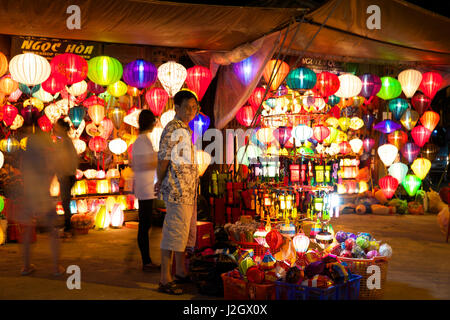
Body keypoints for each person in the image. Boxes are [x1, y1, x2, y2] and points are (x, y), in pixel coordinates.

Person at [156, 90, 199, 295]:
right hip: (177, 190)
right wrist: (159, 180)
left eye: (194, 107)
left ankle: (180, 271)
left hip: (188, 191)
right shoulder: (173, 128)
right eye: (187, 107)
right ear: (177, 108)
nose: (191, 110)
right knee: (173, 233)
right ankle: (165, 278)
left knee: (183, 234)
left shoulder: (185, 129)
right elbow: (164, 159)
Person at [19, 125, 63, 276]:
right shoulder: (45, 156)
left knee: (27, 230)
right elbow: (50, 171)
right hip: (43, 196)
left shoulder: (25, 158)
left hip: (29, 196)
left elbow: (23, 175)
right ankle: (56, 267)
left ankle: (25, 266)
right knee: (53, 230)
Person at [131, 109, 160, 271]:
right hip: (145, 189)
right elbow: (143, 163)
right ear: (150, 123)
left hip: (147, 188)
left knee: (146, 225)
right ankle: (146, 261)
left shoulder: (143, 140)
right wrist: (159, 158)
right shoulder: (142, 141)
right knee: (144, 226)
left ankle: (147, 260)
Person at [53, 118, 79, 238]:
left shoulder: (65, 142)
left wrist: (66, 173)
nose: (55, 129)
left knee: (65, 201)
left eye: (57, 127)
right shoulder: (63, 141)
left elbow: (69, 159)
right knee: (65, 201)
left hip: (66, 175)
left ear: (63, 129)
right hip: (66, 174)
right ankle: (68, 226)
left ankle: (68, 227)